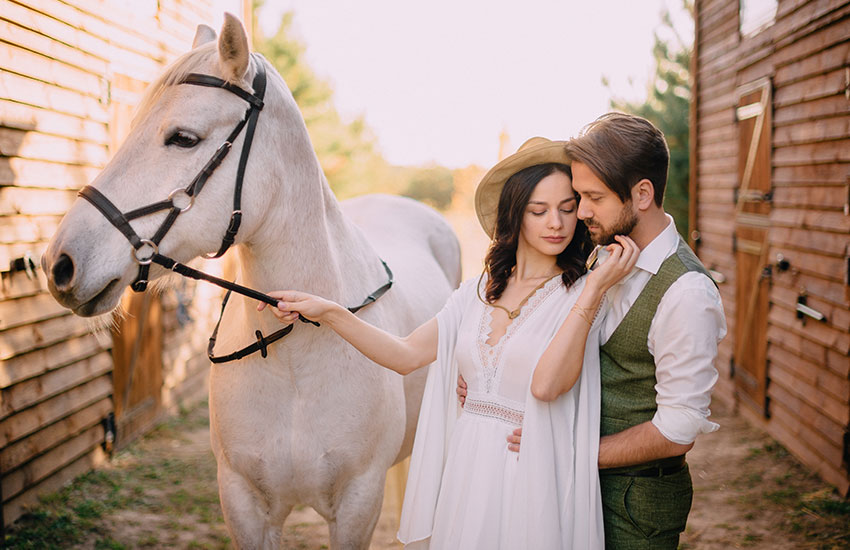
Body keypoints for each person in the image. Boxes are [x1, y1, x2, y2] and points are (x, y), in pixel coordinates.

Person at [259, 137, 639, 549]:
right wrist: (331, 312)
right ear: (515, 215)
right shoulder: (475, 293)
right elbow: (405, 355)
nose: (557, 224)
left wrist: (594, 289)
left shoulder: (583, 295)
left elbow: (550, 387)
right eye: (539, 211)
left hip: (530, 471)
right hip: (468, 467)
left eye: (568, 210)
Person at [459, 113, 726, 549]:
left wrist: (566, 451)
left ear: (642, 194)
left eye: (592, 198)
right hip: (569, 492)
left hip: (632, 505)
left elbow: (678, 428)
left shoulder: (687, 293)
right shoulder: (601, 256)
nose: (580, 212)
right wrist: (491, 374)